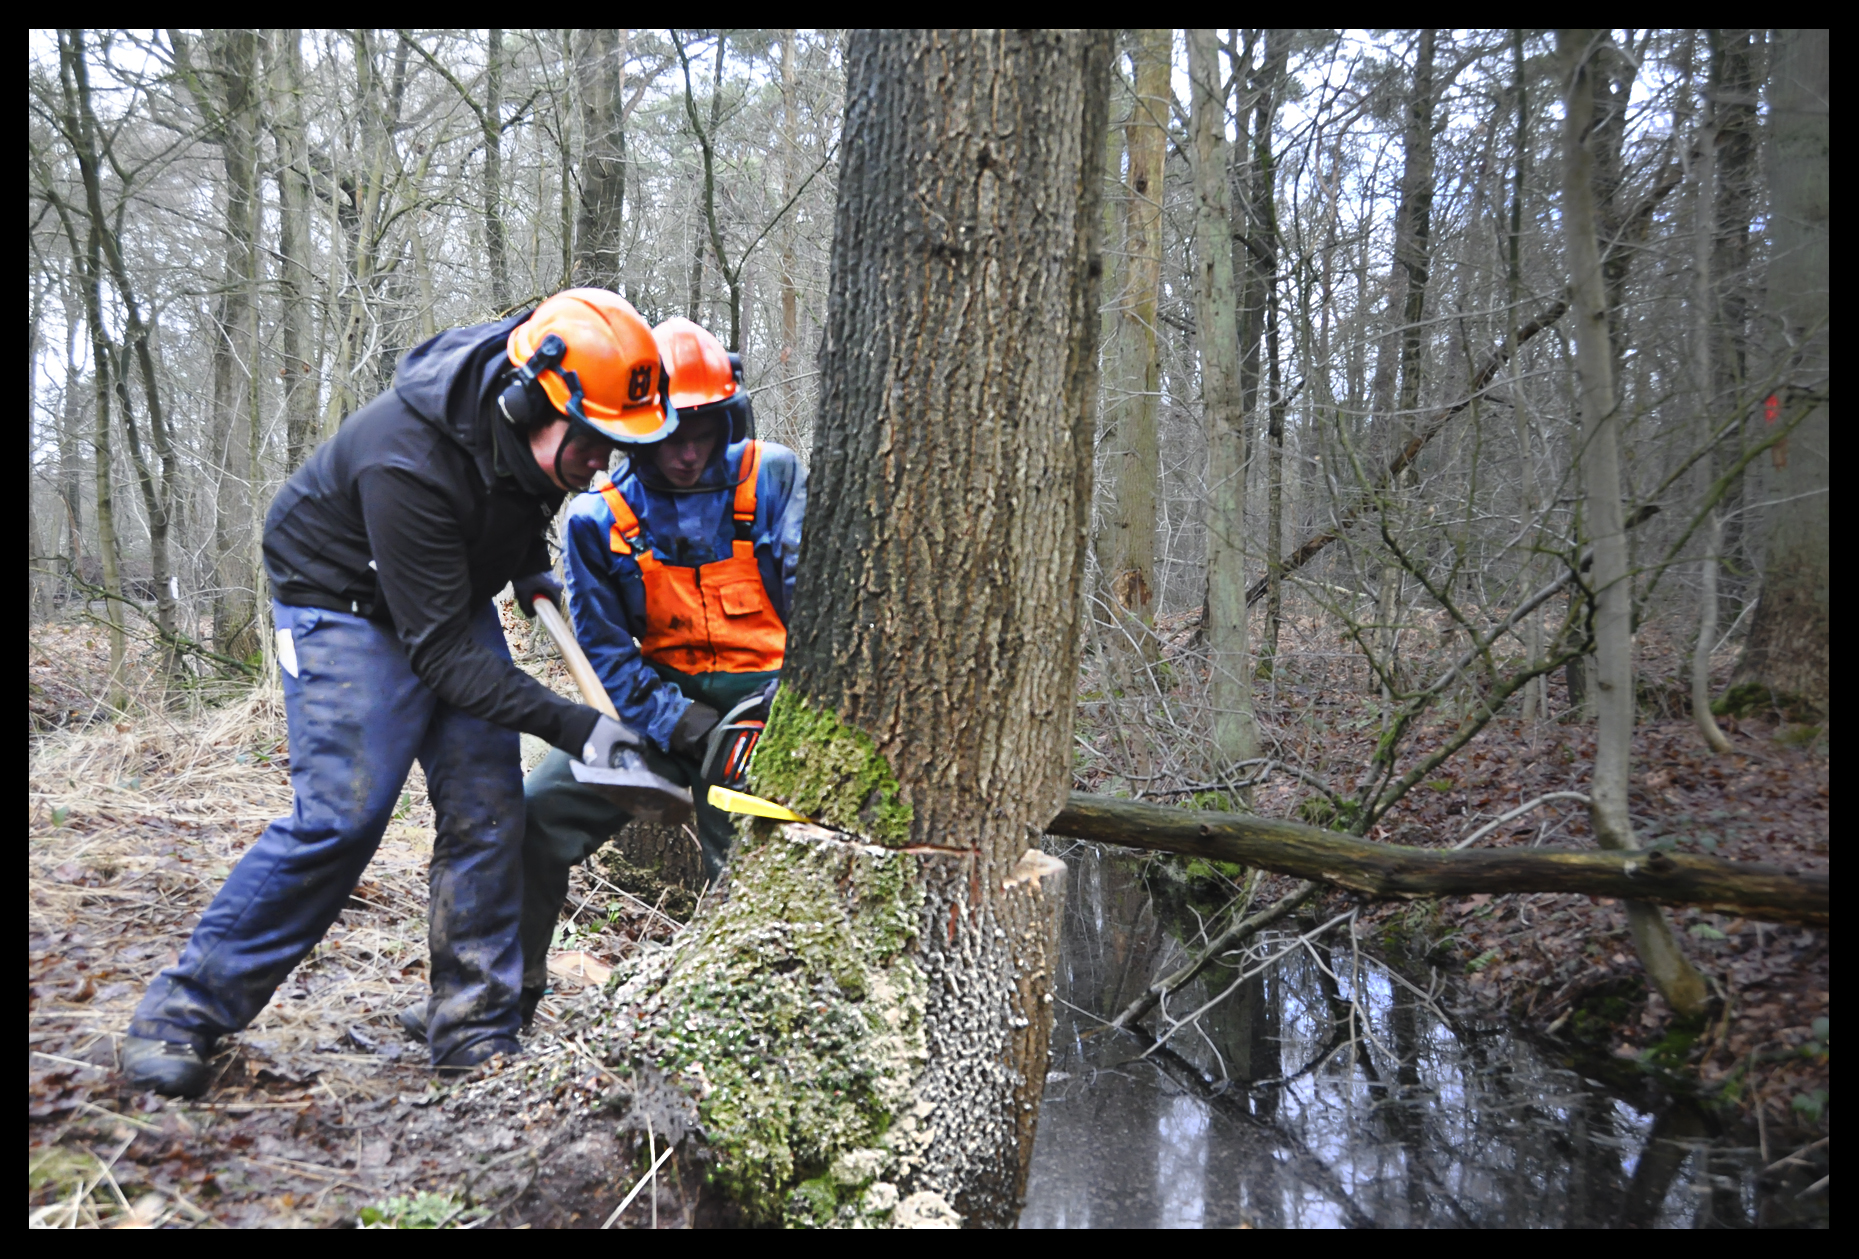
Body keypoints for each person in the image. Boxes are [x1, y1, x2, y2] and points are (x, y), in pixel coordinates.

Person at [123, 290, 682, 1097]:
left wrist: (527, 561)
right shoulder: (405, 458)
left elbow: (510, 491)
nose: (601, 463)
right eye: (595, 443)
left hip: (441, 595)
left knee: (490, 807)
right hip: (340, 600)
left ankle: (474, 1027)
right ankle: (182, 1011)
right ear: (534, 406)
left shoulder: (531, 399)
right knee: (342, 817)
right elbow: (447, 659)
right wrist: (584, 729)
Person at [516, 317, 805, 1006]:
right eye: (670, 436)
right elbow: (607, 654)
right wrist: (675, 720)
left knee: (744, 842)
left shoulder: (773, 478)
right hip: (655, 709)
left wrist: (770, 712)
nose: (685, 454)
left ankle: (751, 1006)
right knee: (534, 811)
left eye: (701, 433)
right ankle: (509, 986)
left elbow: (814, 606)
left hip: (762, 704)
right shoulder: (598, 518)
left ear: (725, 420)